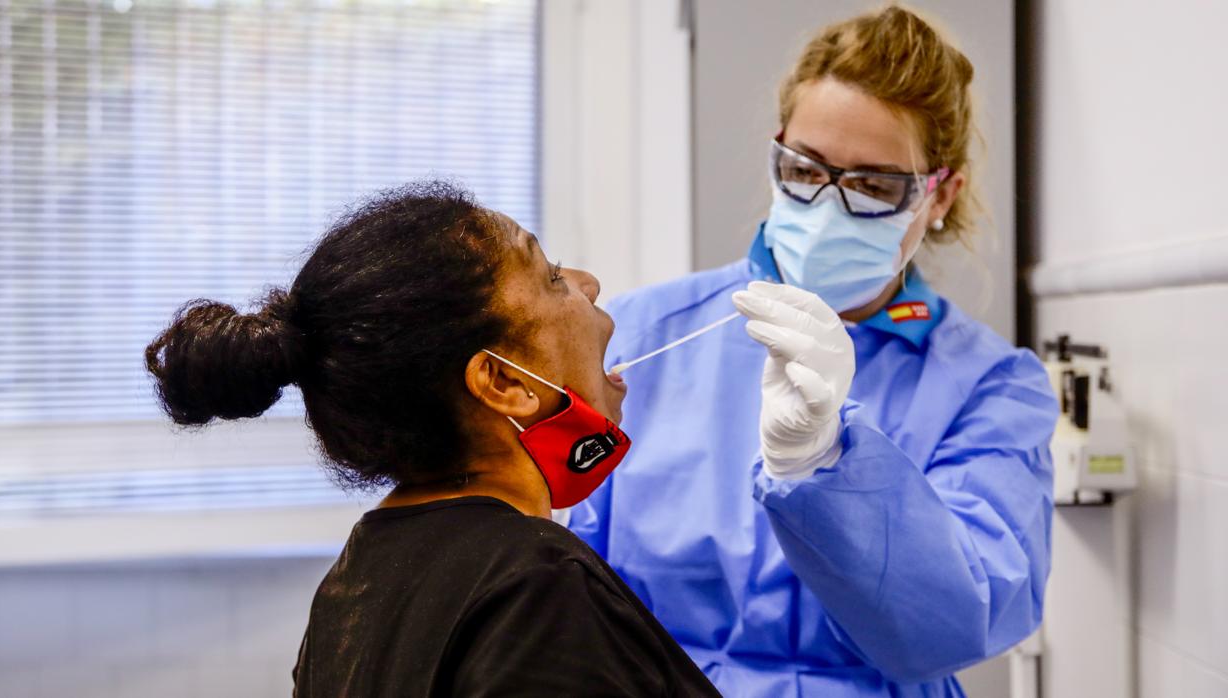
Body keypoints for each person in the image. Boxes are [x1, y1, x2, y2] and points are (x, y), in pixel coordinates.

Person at [570, 6, 1059, 697]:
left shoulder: (990, 387)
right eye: (805, 169)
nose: (828, 207)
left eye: (872, 185)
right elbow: (557, 579)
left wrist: (830, 463)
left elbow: (956, 625)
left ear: (940, 194)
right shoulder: (645, 334)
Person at [144, 182, 720, 697]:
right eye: (550, 276)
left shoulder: (355, 583)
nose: (588, 284)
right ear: (504, 381)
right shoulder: (535, 586)